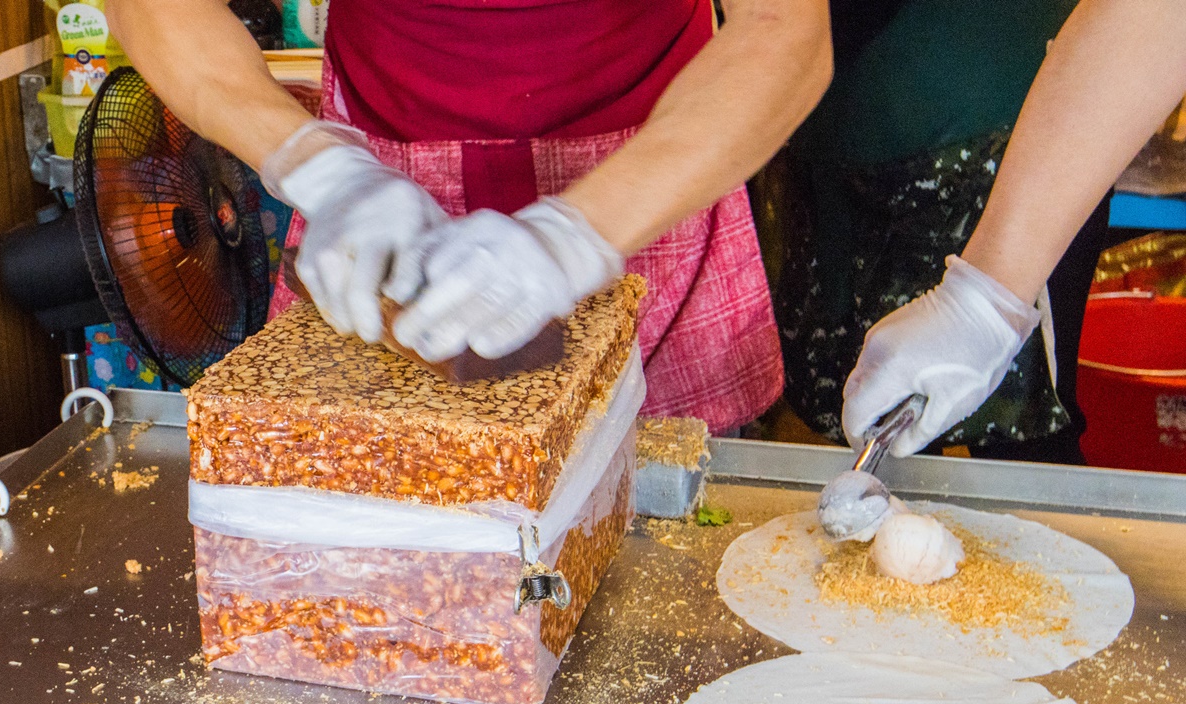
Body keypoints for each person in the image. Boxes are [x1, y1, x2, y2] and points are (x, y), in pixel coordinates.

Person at [106, 0, 833, 436]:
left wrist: (570, 241)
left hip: (647, 200)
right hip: (376, 215)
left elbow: (786, 30)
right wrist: (314, 165)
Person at [841, 0, 1186, 457]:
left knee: (1028, 438)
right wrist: (983, 302)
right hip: (858, 129)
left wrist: (982, 303)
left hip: (1009, 116)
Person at [771, 0, 1099, 464]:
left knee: (1020, 441)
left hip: (1000, 129)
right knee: (871, 412)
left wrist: (985, 305)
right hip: (837, 136)